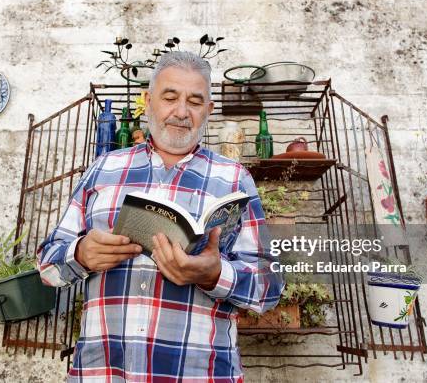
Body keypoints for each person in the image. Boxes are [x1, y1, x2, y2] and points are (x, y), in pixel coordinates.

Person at [38, 51, 284, 382]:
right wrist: (81, 254)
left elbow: (269, 287)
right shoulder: (103, 169)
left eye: (195, 102)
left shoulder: (234, 179)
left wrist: (214, 275)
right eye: (170, 97)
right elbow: (48, 269)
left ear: (208, 111)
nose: (181, 112)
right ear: (148, 100)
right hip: (103, 373)